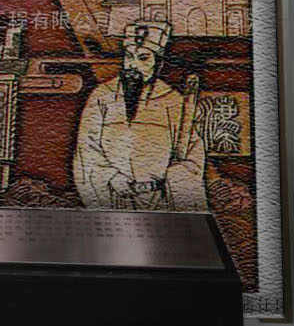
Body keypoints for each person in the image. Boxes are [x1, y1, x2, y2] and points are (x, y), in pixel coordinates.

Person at [72, 20, 206, 211]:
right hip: (115, 195)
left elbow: (192, 155)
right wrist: (112, 177)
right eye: (128, 56)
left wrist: (174, 178)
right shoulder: (102, 96)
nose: (132, 65)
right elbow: (87, 148)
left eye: (143, 58)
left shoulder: (173, 101)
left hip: (159, 200)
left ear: (158, 63)